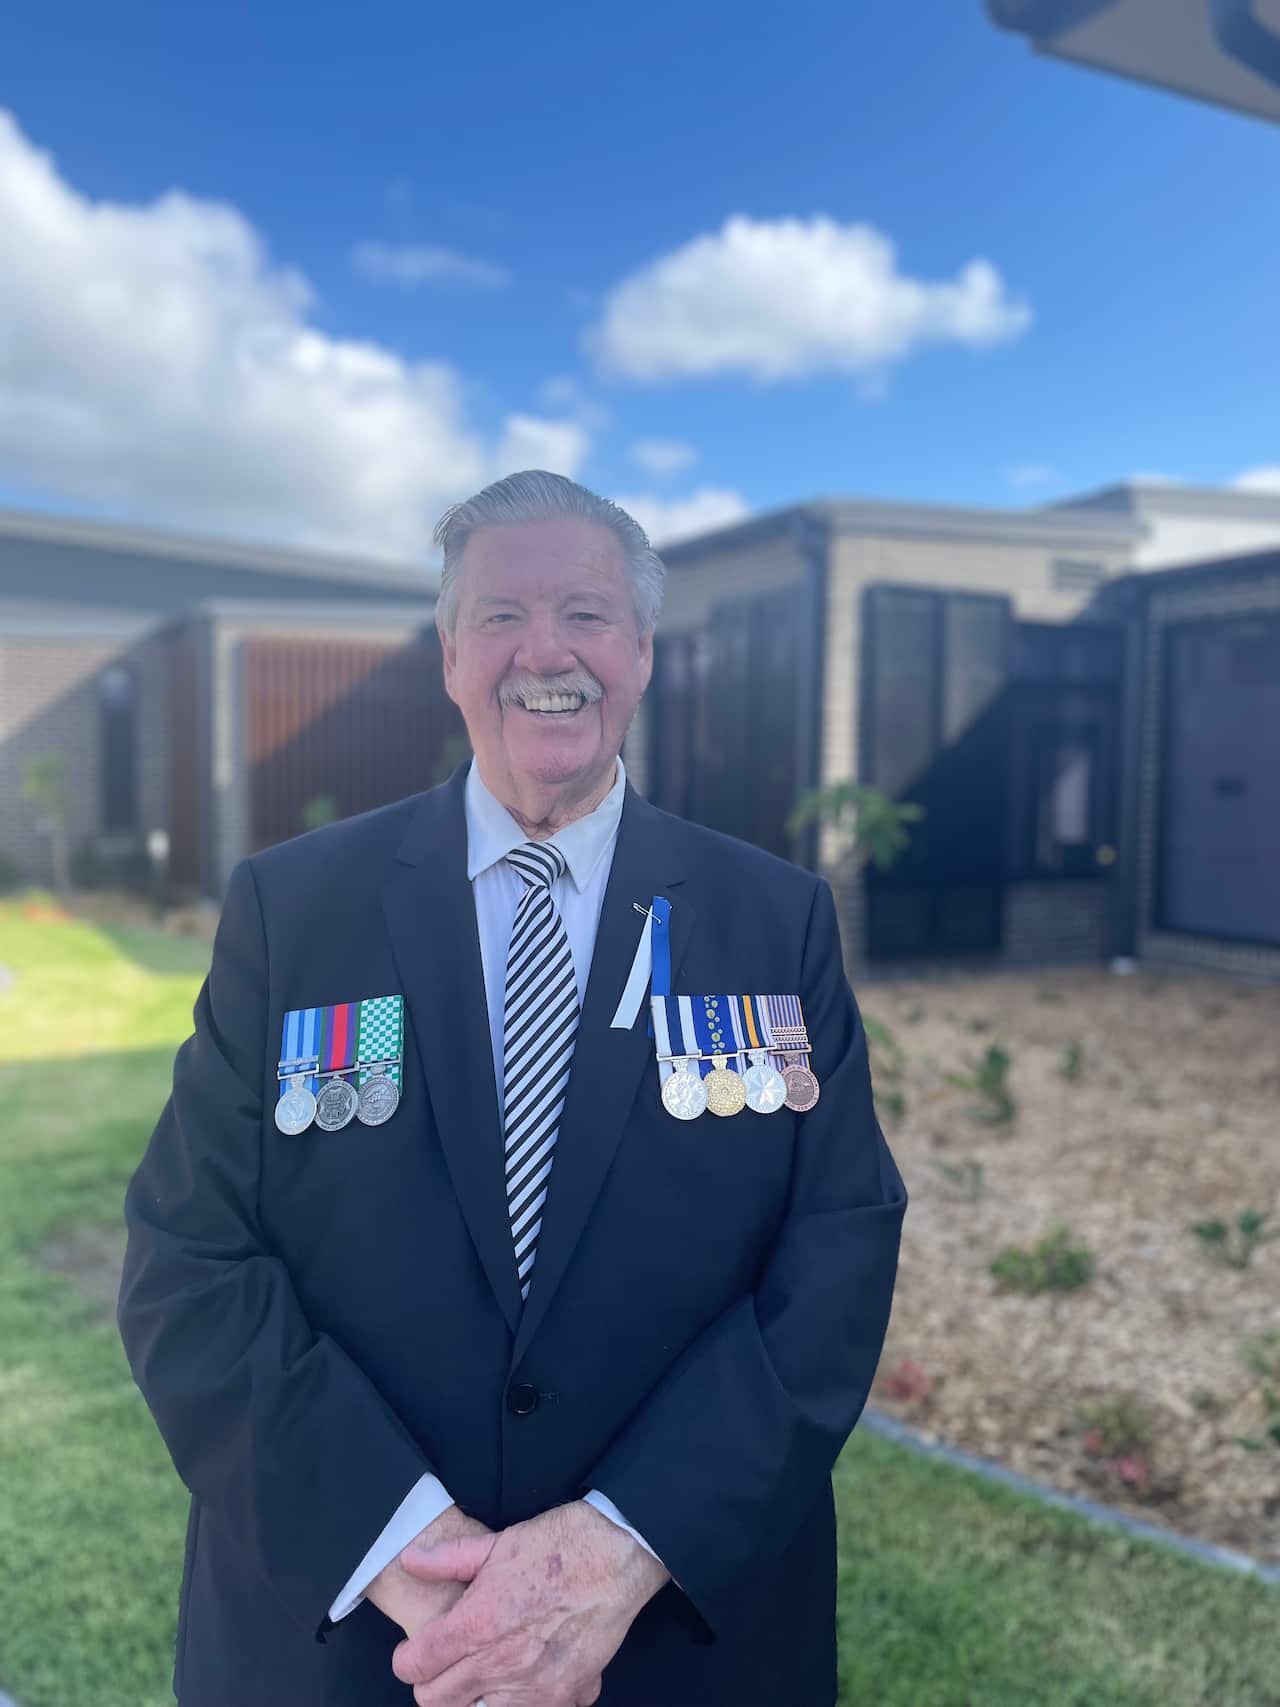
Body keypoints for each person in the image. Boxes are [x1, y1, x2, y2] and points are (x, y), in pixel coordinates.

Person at [118, 470, 908, 1707]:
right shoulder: (293, 911)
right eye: (500, 616)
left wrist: (621, 1545)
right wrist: (407, 1551)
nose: (546, 652)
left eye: (586, 614)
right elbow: (188, 1258)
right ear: (449, 657)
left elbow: (836, 1257)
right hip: (358, 1645)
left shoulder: (775, 920)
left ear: (641, 654)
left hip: (668, 1640)